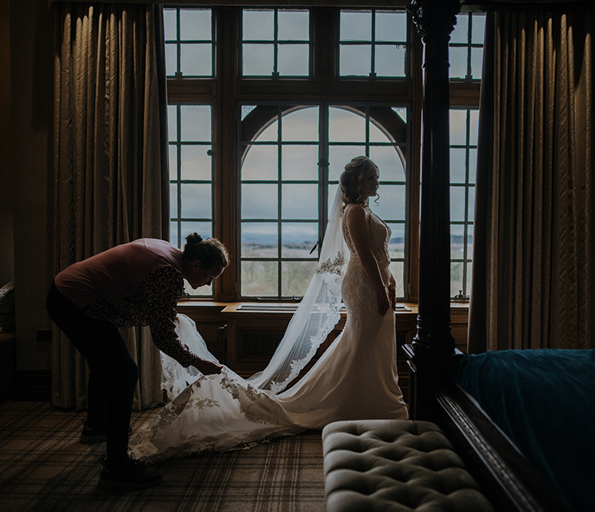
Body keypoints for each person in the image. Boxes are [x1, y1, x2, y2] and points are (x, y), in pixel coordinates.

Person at [127, 156, 408, 461]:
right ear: (356, 183)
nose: (376, 183)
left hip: (377, 283)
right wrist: (380, 289)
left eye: (376, 178)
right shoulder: (353, 211)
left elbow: (380, 255)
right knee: (361, 343)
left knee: (366, 344)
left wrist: (390, 283)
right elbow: (365, 257)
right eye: (370, 178)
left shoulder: (364, 210)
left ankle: (368, 401)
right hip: (366, 287)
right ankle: (354, 403)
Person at [46, 234, 228, 489]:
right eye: (211, 277)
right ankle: (117, 466)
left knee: (106, 364)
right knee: (124, 373)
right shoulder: (168, 273)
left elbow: (145, 294)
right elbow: (163, 338)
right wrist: (199, 363)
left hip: (65, 292)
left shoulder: (171, 255)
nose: (209, 285)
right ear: (196, 265)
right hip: (74, 301)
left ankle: (96, 426)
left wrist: (163, 314)